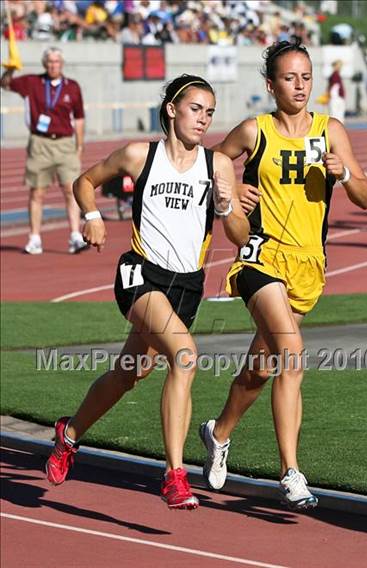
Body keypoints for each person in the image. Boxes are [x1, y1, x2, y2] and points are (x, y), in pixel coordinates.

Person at [45, 74, 249, 510]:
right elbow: (84, 181)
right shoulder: (140, 155)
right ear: (173, 109)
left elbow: (239, 235)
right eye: (196, 108)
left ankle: (70, 434)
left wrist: (227, 205)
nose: (204, 119)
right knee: (186, 355)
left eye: (210, 112)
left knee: (129, 374)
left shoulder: (217, 166)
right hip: (141, 275)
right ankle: (175, 475)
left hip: (186, 286)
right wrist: (92, 215)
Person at [200, 40, 367, 511]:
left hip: (308, 264)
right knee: (292, 354)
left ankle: (217, 433)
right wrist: (232, 185)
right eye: (290, 78)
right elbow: (211, 160)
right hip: (260, 257)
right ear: (271, 85)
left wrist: (345, 176)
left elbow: (366, 196)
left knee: (259, 370)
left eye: (306, 77)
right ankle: (290, 472)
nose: (299, 86)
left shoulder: (330, 130)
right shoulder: (255, 131)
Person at [1, 47, 86, 255]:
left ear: (62, 64)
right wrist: (10, 69)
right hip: (40, 144)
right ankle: (35, 238)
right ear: (44, 63)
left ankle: (75, 235)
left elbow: (80, 117)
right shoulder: (32, 83)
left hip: (65, 142)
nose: (53, 65)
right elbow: (5, 84)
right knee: (37, 192)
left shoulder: (72, 87)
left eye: (56, 61)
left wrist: (80, 145)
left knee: (71, 190)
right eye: (49, 61)